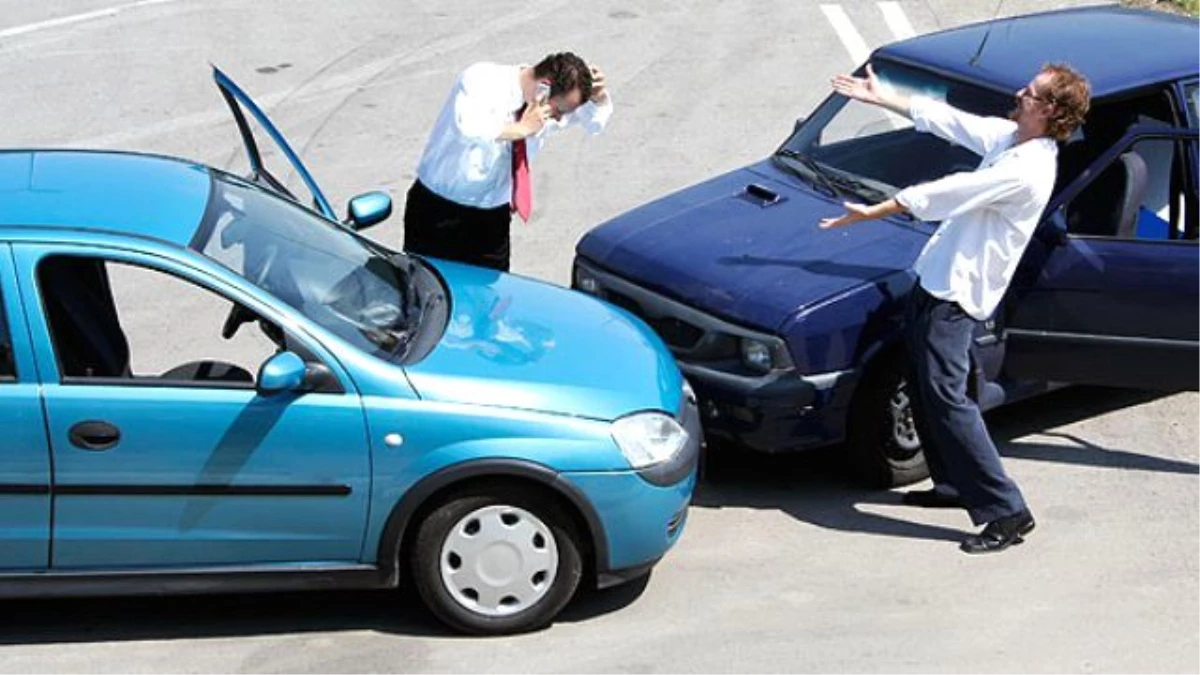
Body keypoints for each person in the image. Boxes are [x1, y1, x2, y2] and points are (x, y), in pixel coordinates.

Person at [819, 62, 1090, 554]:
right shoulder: (1012, 139)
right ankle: (951, 485)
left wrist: (877, 210)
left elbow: (951, 191)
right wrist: (882, 98)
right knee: (933, 387)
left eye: (1029, 92)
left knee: (947, 399)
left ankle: (1007, 511)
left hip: (955, 297)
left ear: (1049, 110)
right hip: (938, 281)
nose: (1018, 92)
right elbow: (951, 120)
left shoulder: (1026, 169)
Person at [403, 52, 612, 272]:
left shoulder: (542, 108)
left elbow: (594, 124)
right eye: (559, 110)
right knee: (425, 295)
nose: (559, 118)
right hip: (439, 212)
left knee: (493, 298)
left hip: (492, 220)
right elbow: (467, 128)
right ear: (544, 87)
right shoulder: (481, 78)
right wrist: (521, 129)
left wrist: (599, 98)